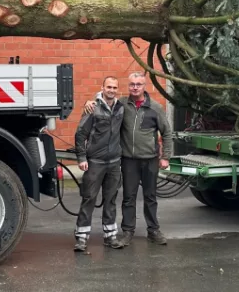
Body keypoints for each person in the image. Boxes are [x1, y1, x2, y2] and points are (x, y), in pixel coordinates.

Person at [83, 71, 172, 246]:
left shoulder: (155, 107)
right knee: (128, 197)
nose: (135, 87)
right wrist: (90, 101)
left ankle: (153, 230)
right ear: (128, 86)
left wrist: (165, 157)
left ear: (144, 86)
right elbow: (105, 101)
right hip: (128, 159)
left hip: (150, 159)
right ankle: (128, 231)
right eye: (132, 84)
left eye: (138, 84)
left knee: (150, 196)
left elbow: (167, 133)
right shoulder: (122, 104)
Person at [73, 76, 125, 252]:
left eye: (114, 87)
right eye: (109, 86)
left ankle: (110, 236)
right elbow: (80, 134)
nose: (111, 90)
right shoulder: (93, 108)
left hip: (114, 163)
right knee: (89, 198)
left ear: (118, 89)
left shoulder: (120, 108)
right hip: (95, 162)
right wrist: (81, 158)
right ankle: (81, 238)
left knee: (110, 200)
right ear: (102, 87)